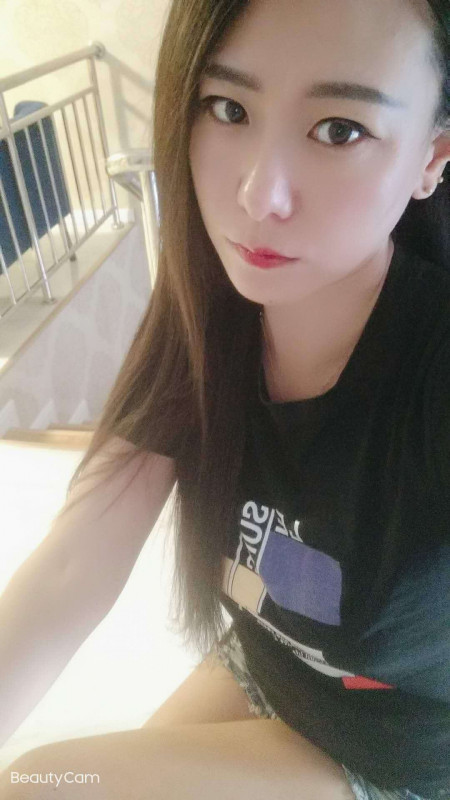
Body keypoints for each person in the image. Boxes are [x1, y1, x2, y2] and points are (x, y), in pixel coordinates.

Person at [0, 0, 449, 798]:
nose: (258, 194)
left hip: (403, 749)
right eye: (229, 108)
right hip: (269, 665)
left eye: (339, 129)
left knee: (47, 784)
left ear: (431, 157)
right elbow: (73, 564)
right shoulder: (207, 316)